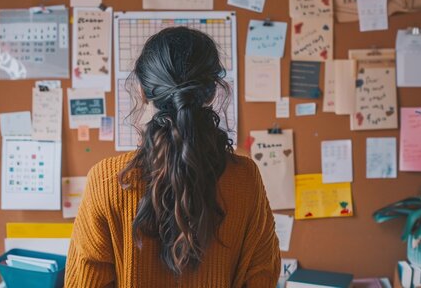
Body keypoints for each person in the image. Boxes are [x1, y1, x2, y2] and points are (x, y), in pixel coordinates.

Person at [65, 27, 280, 287]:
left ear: (143, 92)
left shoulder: (107, 180)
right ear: (212, 92)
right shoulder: (245, 177)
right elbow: (262, 277)